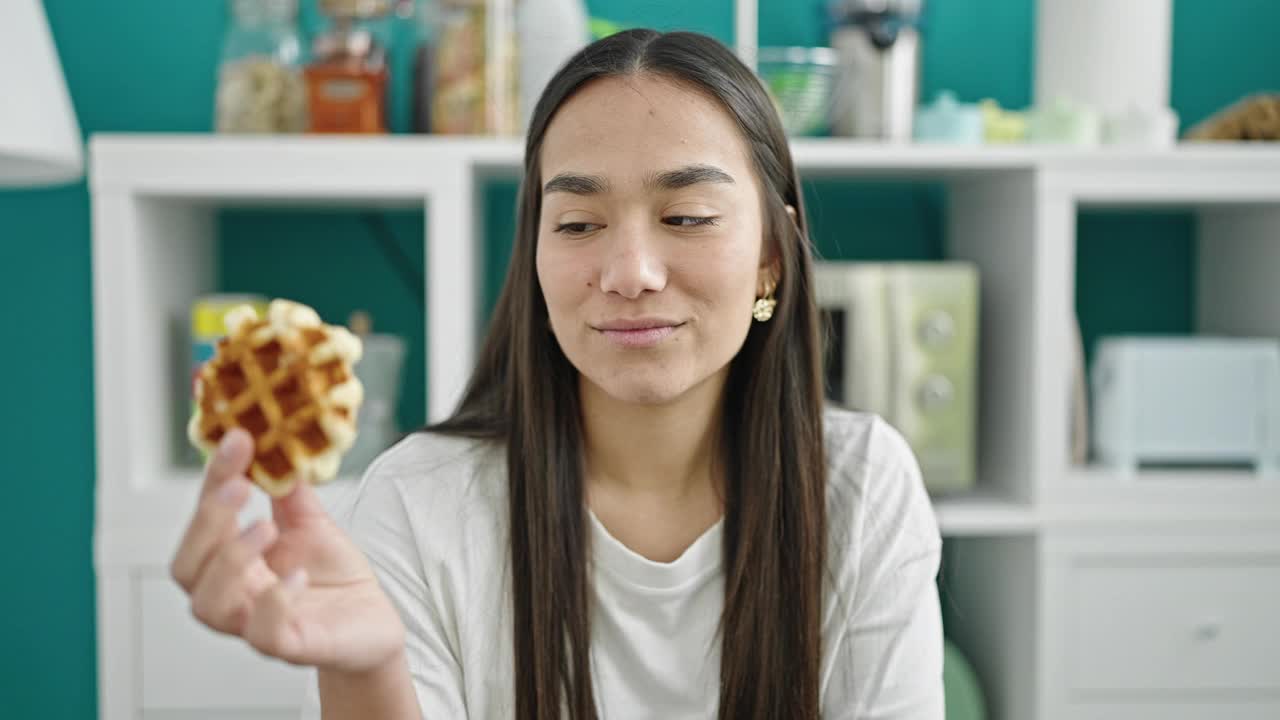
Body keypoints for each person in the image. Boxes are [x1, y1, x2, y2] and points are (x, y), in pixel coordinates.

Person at [169, 28, 943, 720]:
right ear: (535, 259)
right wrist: (370, 676)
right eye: (577, 224)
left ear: (773, 254)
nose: (630, 272)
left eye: (686, 217)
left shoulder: (863, 487)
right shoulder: (420, 504)